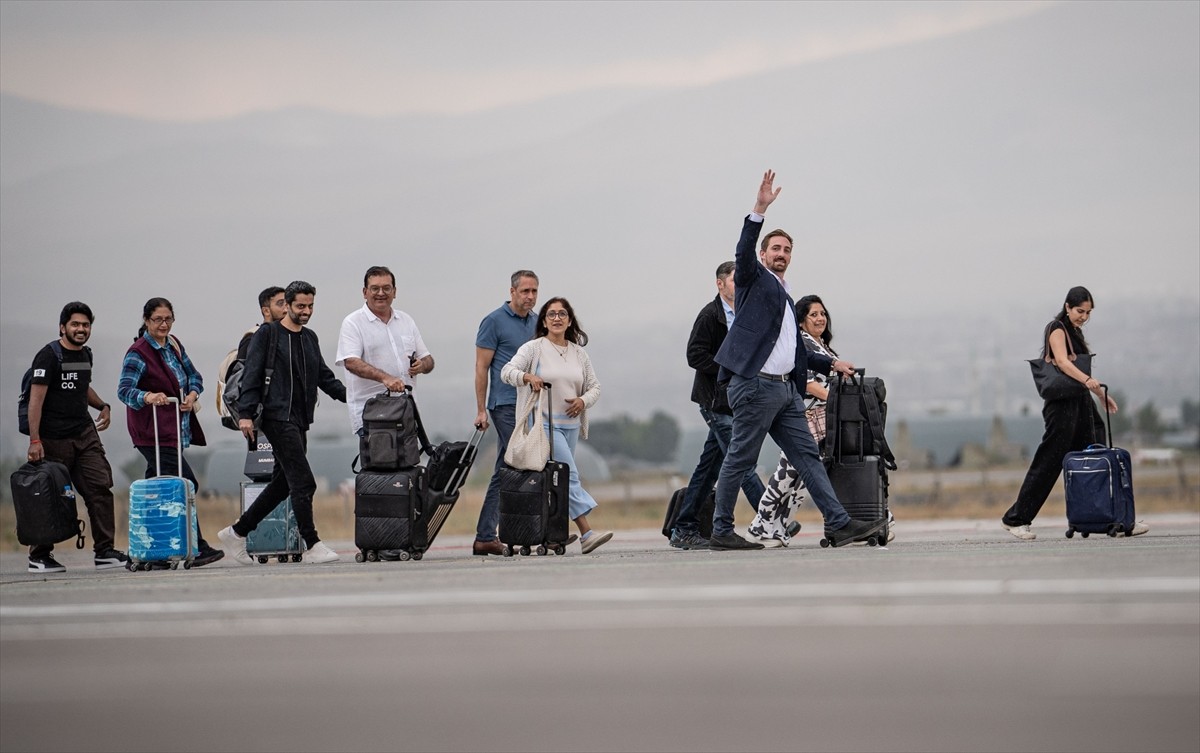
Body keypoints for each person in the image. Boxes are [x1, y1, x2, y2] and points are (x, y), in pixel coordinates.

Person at [709, 170, 885, 550]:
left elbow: (795, 349)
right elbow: (742, 250)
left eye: (787, 250)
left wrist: (830, 364)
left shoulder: (787, 297)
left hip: (785, 391)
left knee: (807, 457)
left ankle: (839, 524)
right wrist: (759, 209)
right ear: (762, 255)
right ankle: (722, 529)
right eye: (776, 249)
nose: (782, 254)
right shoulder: (754, 280)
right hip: (755, 387)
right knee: (740, 458)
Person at [745, 294, 896, 546]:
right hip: (806, 417)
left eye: (823, 314)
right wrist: (838, 402)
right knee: (790, 473)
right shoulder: (802, 343)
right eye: (813, 314)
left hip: (822, 417)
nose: (820, 318)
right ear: (801, 321)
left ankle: (774, 525)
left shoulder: (819, 345)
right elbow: (805, 382)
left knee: (802, 475)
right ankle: (762, 524)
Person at [1001, 286, 1146, 540]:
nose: (1084, 317)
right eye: (1080, 311)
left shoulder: (1075, 332)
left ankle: (1117, 520)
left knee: (1098, 455)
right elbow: (1064, 363)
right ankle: (1016, 519)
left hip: (1081, 403)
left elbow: (1081, 377)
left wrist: (1101, 396)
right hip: (1061, 406)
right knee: (1049, 461)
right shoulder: (1056, 328)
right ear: (1067, 307)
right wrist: (1089, 380)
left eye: (1088, 313)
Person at [218, 281, 348, 564]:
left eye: (310, 306)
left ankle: (237, 532)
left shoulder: (309, 338)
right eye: (300, 306)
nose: (306, 311)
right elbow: (251, 374)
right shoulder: (268, 334)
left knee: (284, 483)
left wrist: (352, 398)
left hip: (300, 419)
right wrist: (245, 414)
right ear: (287, 305)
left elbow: (323, 377)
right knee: (304, 482)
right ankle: (312, 544)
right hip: (276, 417)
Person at [472, 270, 577, 555]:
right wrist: (481, 409)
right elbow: (482, 367)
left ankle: (487, 536)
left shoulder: (537, 322)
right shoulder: (493, 322)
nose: (530, 297)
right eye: (525, 291)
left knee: (505, 469)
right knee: (535, 460)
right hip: (505, 405)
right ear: (512, 291)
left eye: (534, 291)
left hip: (534, 405)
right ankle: (546, 531)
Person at [117, 297, 224, 567]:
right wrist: (148, 396)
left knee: (157, 488)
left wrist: (192, 392)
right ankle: (196, 547)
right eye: (157, 320)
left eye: (168, 319)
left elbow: (194, 376)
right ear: (146, 321)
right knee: (185, 483)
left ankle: (153, 550)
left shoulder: (173, 345)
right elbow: (125, 390)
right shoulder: (138, 352)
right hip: (152, 432)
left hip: (175, 429)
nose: (163, 324)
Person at [669, 261, 769, 550]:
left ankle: (684, 527)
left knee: (709, 469)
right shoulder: (710, 315)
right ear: (720, 283)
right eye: (736, 281)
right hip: (714, 401)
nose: (741, 286)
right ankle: (771, 517)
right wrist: (729, 369)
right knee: (743, 461)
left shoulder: (746, 314)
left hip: (734, 403)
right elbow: (694, 355)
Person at [501, 297, 613, 554]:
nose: (557, 318)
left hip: (571, 426)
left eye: (562, 314)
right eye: (551, 314)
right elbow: (507, 371)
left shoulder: (578, 353)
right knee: (568, 474)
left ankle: (552, 532)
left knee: (555, 480)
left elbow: (595, 386)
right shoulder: (533, 348)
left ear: (570, 320)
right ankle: (587, 533)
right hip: (543, 425)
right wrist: (527, 376)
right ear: (544, 320)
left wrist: (583, 401)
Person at [24, 302, 128, 573]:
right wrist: (35, 440)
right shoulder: (48, 356)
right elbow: (36, 401)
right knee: (50, 497)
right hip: (53, 439)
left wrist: (102, 405)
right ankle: (40, 555)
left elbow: (82, 386)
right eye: (75, 324)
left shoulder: (86, 354)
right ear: (63, 327)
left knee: (100, 488)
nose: (81, 329)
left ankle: (105, 551)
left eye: (86, 325)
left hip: (84, 434)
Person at [335, 266, 434, 438]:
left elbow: (428, 360)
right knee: (380, 463)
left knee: (408, 463)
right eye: (375, 288)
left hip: (406, 412)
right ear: (365, 292)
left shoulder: (406, 320)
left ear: (394, 292)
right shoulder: (353, 323)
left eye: (386, 288)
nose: (381, 293)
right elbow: (351, 362)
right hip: (373, 416)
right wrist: (385, 378)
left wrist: (422, 365)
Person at [239, 286, 287, 360]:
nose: (286, 309)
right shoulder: (252, 338)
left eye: (288, 304)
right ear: (266, 311)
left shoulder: (294, 338)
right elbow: (241, 369)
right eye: (280, 304)